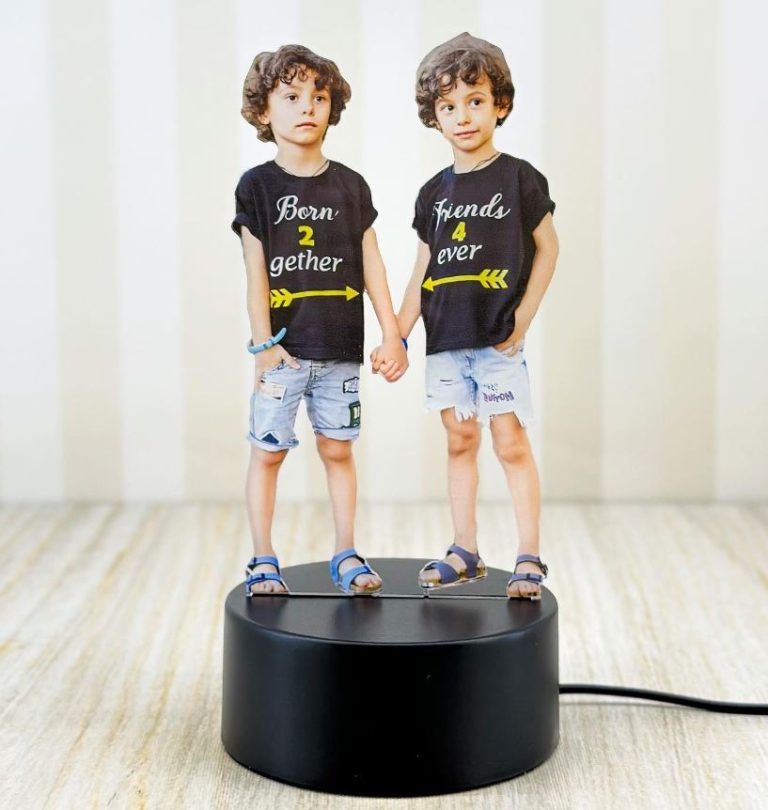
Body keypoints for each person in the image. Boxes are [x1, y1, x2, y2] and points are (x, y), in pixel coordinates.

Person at [232, 44, 407, 596]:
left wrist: (392, 334)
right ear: (264, 111)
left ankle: (346, 551)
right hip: (283, 352)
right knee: (268, 452)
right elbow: (255, 271)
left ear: (332, 108)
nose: (307, 106)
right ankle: (263, 558)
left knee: (338, 449)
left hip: (340, 349)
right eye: (291, 96)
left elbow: (372, 262)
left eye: (319, 96)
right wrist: (263, 344)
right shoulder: (257, 186)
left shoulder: (351, 186)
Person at [396, 33, 559, 599]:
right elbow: (422, 271)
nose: (462, 116)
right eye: (448, 106)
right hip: (446, 339)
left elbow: (548, 249)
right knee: (459, 439)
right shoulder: (431, 194)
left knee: (509, 441)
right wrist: (397, 334)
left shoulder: (519, 178)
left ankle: (529, 555)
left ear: (500, 105)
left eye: (474, 101)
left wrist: (524, 318)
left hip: (496, 339)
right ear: (434, 115)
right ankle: (464, 549)